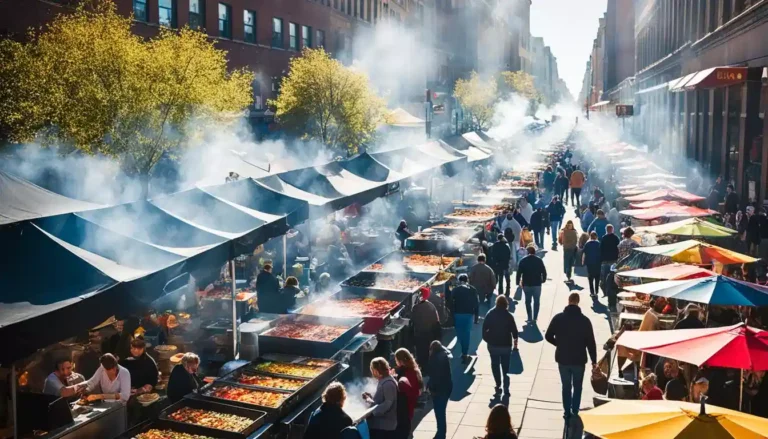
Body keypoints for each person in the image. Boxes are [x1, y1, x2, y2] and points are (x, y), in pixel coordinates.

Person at [545, 293, 597, 420]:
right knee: (577, 386)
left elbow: (548, 336)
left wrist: (558, 344)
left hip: (563, 358)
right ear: (578, 302)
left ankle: (567, 411)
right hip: (579, 359)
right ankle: (575, 409)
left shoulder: (558, 318)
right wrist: (594, 361)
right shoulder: (585, 321)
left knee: (566, 386)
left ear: (568, 301)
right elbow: (591, 343)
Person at [482, 296, 519, 394]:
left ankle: (498, 384)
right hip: (506, 344)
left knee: (495, 364)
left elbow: (484, 329)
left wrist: (488, 340)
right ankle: (506, 382)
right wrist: (515, 342)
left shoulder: (490, 314)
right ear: (506, 304)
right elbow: (515, 332)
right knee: (505, 365)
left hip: (493, 345)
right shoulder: (509, 316)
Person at [363, 358, 399, 439]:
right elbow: (380, 401)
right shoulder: (384, 381)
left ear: (376, 370)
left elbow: (388, 403)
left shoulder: (388, 383)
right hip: (380, 425)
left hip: (384, 427)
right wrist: (370, 399)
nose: (372, 373)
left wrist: (372, 412)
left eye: (372, 370)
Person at [450, 274, 479, 363]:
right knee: (466, 334)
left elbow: (450, 303)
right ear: (467, 280)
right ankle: (465, 353)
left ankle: (462, 349)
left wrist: (451, 315)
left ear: (459, 281)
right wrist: (476, 317)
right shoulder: (473, 289)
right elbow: (476, 304)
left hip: (458, 314)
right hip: (469, 315)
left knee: (460, 333)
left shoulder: (455, 290)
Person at [427, 341, 453, 439]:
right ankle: (441, 433)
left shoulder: (434, 359)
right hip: (447, 387)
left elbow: (434, 377)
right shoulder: (444, 356)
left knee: (439, 413)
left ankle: (441, 434)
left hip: (439, 390)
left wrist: (431, 388)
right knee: (441, 412)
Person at [411, 287, 440, 369]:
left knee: (420, 352)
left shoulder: (415, 307)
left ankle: (422, 368)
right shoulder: (431, 306)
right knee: (428, 351)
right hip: (429, 333)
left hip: (419, 334)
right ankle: (428, 367)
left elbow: (412, 320)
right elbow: (436, 320)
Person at [516, 246, 547, 323]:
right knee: (536, 301)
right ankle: (535, 317)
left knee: (528, 301)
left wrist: (517, 282)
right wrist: (543, 280)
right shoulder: (539, 260)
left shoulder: (523, 260)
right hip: (537, 284)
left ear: (527, 252)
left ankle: (529, 317)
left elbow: (519, 273)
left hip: (526, 284)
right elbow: (544, 271)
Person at [394, 349, 422, 423]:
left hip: (405, 406)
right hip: (410, 405)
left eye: (396, 360)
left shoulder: (405, 372)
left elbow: (404, 388)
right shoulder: (414, 369)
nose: (396, 362)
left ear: (401, 361)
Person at [600, 225, 620, 302]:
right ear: (612, 230)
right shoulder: (616, 238)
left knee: (604, 277)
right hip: (614, 260)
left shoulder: (603, 238)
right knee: (612, 278)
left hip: (605, 261)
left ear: (606, 230)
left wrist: (601, 259)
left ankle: (606, 292)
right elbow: (618, 248)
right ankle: (611, 292)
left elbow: (601, 249)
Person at [582, 232, 601, 297]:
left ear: (590, 236)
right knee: (597, 278)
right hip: (597, 263)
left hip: (589, 263)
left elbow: (584, 253)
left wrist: (583, 261)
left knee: (590, 278)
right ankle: (596, 291)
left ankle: (592, 292)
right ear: (596, 237)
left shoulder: (587, 244)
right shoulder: (598, 243)